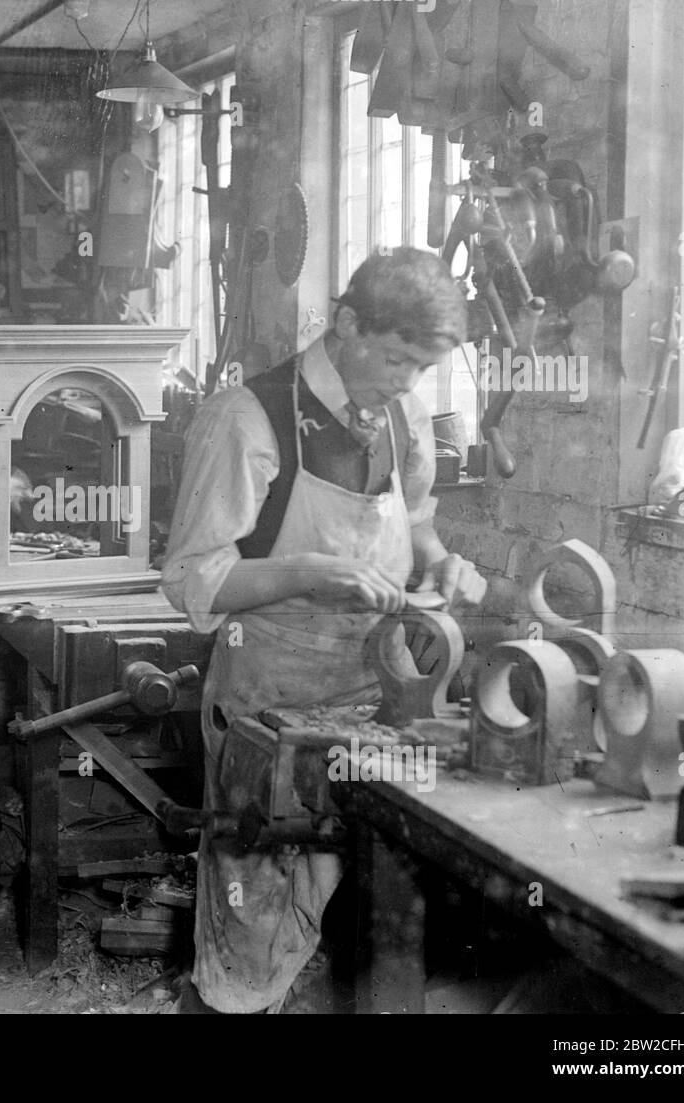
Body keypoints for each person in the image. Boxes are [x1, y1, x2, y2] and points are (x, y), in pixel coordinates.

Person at [160, 247, 487, 1014]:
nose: (408, 384)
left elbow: (418, 524)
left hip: (384, 692)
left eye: (422, 368)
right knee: (252, 920)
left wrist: (440, 565)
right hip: (272, 697)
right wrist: (308, 572)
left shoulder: (401, 414)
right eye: (398, 359)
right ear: (345, 323)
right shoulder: (249, 416)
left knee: (370, 906)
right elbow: (192, 579)